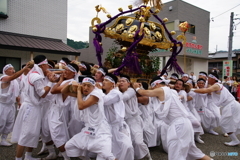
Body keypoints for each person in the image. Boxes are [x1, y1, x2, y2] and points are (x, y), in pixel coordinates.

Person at [133, 77, 212, 160]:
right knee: (193, 153)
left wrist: (136, 87)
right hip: (183, 124)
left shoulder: (162, 89)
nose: (153, 89)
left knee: (176, 155)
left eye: (153, 87)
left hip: (179, 125)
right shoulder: (171, 91)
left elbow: (144, 92)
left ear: (156, 84)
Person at [11, 55, 52, 160]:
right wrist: (51, 82)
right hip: (31, 108)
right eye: (46, 64)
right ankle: (18, 158)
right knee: (25, 134)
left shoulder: (32, 73)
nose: (48, 66)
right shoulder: (36, 77)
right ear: (42, 65)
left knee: (32, 133)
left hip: (32, 107)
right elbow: (42, 93)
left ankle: (28, 156)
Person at [65, 76, 116, 160]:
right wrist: (71, 83)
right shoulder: (84, 95)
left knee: (107, 155)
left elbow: (81, 106)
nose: (86, 87)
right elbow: (64, 92)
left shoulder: (95, 94)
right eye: (84, 85)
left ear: (93, 87)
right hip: (88, 130)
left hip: (100, 131)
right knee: (69, 145)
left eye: (88, 86)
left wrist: (78, 91)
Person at [194, 72, 240, 146]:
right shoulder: (215, 85)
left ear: (213, 79)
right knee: (232, 123)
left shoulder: (216, 85)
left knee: (225, 123)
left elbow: (204, 91)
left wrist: (191, 89)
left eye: (208, 78)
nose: (207, 79)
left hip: (231, 105)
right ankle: (235, 140)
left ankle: (235, 140)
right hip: (231, 105)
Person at [100, 73, 134, 160]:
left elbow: (105, 101)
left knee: (127, 146)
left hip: (118, 127)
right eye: (103, 80)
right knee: (107, 150)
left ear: (112, 84)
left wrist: (98, 90)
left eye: (106, 80)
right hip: (106, 127)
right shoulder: (104, 93)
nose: (103, 82)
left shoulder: (116, 93)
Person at [118, 75, 152, 160]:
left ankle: (147, 157)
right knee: (127, 144)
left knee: (138, 142)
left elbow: (122, 98)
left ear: (128, 83)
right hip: (122, 122)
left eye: (123, 81)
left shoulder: (131, 90)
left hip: (134, 120)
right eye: (120, 81)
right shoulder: (117, 92)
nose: (121, 82)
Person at [0, 63, 32, 146]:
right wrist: (24, 70)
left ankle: (3, 139)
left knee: (9, 122)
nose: (13, 70)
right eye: (10, 69)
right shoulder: (4, 78)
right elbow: (11, 77)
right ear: (5, 71)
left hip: (11, 105)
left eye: (13, 68)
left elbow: (16, 93)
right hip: (2, 105)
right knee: (1, 123)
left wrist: (18, 102)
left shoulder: (15, 81)